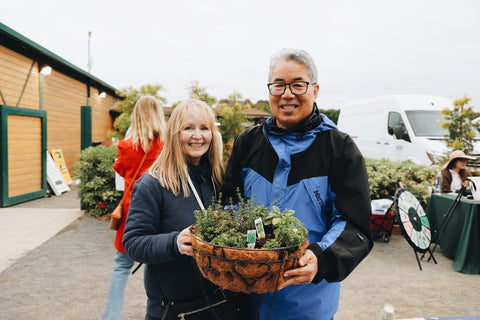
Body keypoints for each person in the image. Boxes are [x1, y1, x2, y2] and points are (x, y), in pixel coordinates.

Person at [222, 48, 373, 320]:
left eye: (297, 85)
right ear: (269, 91)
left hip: (307, 304)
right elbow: (230, 205)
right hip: (246, 299)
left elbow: (354, 225)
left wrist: (320, 258)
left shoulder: (339, 148)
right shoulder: (249, 142)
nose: (287, 94)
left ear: (315, 90)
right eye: (279, 85)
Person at [123, 99, 247, 320]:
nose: (197, 135)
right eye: (188, 128)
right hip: (176, 310)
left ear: (212, 134)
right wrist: (174, 243)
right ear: (174, 133)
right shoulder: (152, 184)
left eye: (204, 128)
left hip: (222, 305)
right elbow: (133, 243)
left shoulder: (220, 180)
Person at [103, 96, 166, 320]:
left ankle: (111, 316)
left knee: (121, 265)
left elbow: (119, 169)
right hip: (161, 211)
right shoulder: (167, 145)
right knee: (160, 262)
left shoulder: (126, 145)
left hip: (132, 210)